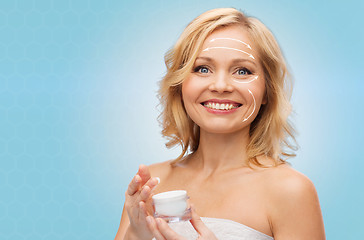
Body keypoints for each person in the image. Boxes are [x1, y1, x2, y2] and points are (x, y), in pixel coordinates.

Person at [115, 8, 325, 240]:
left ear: (267, 91)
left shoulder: (290, 191)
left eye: (243, 71)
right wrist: (135, 234)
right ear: (180, 85)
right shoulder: (152, 184)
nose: (221, 85)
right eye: (203, 69)